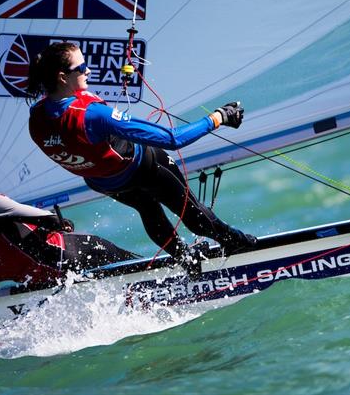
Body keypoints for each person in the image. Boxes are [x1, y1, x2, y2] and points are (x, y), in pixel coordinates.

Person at [25, 41, 256, 275]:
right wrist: (218, 118)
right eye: (81, 67)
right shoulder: (93, 115)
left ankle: (186, 262)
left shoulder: (36, 118)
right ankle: (237, 242)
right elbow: (172, 139)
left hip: (105, 182)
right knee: (191, 213)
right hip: (145, 167)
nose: (88, 70)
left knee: (148, 209)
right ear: (63, 77)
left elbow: (72, 141)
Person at [0, 141, 136, 286]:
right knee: (131, 264)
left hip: (34, 278)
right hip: (63, 256)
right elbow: (49, 219)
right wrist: (61, 223)